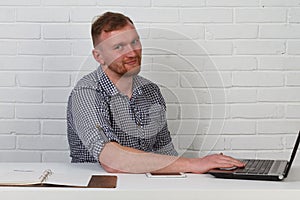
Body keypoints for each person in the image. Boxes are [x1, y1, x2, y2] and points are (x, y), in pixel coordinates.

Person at [67, 11, 244, 173]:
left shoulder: (150, 92)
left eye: (134, 42)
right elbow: (112, 160)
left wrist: (207, 169)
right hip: (99, 191)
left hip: (146, 188)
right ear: (99, 56)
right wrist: (193, 164)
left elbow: (165, 153)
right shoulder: (87, 92)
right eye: (119, 47)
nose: (132, 53)